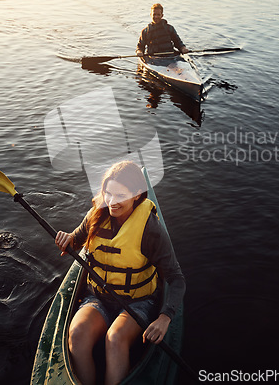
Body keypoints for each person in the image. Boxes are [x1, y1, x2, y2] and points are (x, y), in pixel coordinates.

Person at [55, 160, 185, 385]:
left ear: (137, 194)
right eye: (108, 194)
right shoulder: (97, 213)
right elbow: (77, 239)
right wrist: (68, 239)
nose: (112, 202)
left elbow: (175, 278)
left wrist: (165, 317)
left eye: (120, 196)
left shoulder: (151, 229)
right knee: (77, 335)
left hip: (138, 302)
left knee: (114, 339)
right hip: (98, 297)